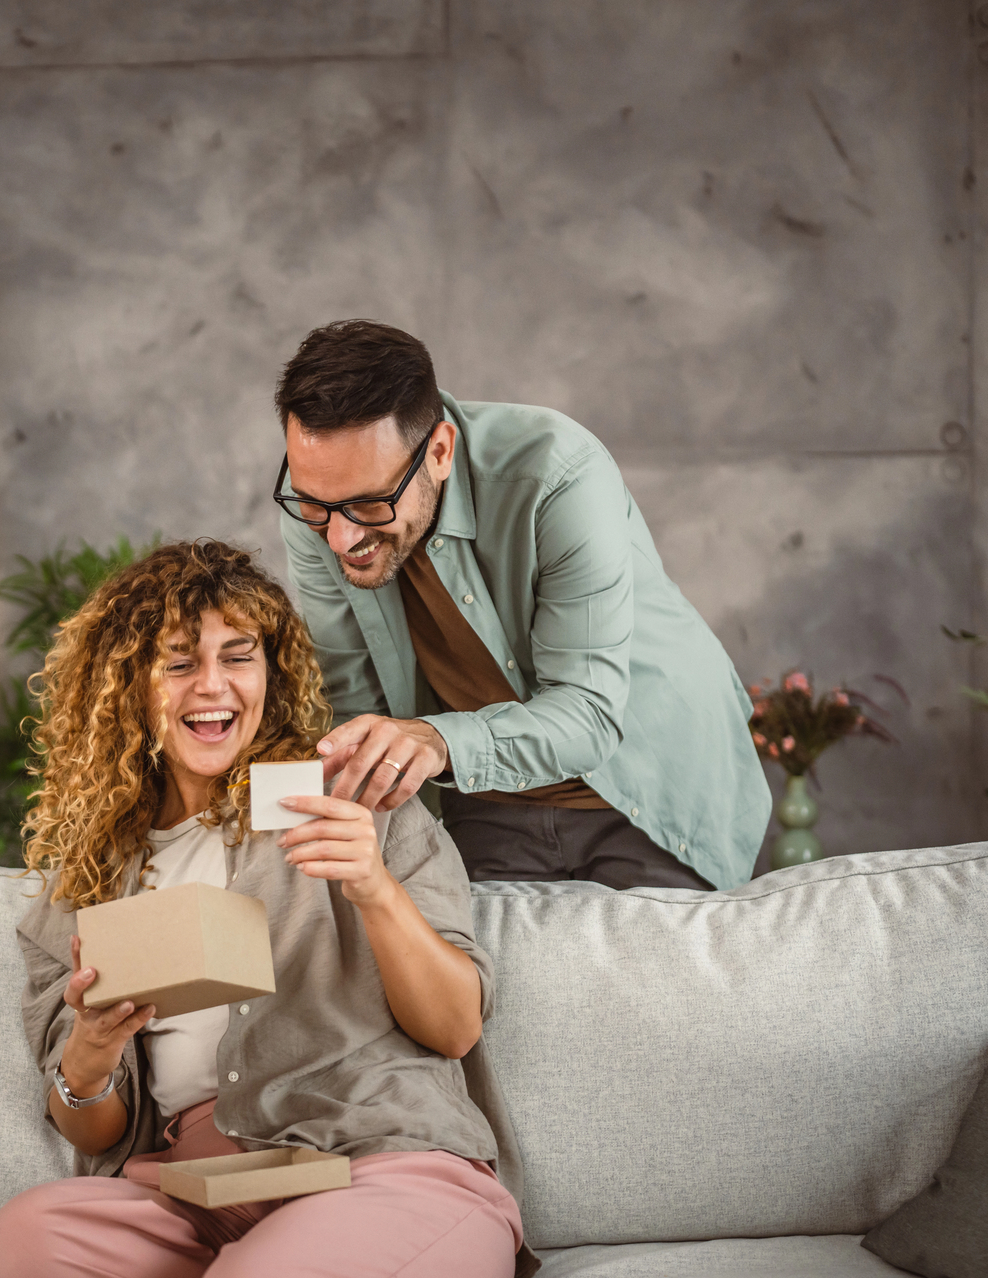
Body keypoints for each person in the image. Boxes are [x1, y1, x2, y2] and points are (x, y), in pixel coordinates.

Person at [0, 539, 530, 1278]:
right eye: (177, 663)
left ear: (270, 674)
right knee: (30, 1246)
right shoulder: (89, 880)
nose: (212, 685)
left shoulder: (354, 801)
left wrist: (373, 886)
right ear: (129, 689)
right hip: (200, 1197)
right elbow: (91, 1125)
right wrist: (93, 1050)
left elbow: (454, 1025)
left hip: (378, 1165)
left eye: (238, 656)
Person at [274, 319, 770, 891]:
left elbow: (587, 712)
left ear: (438, 451)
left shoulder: (558, 472)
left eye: (369, 503)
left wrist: (433, 741)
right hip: (486, 799)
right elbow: (353, 702)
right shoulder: (319, 512)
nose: (338, 538)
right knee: (483, 982)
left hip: (648, 787)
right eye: (314, 505)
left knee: (653, 979)